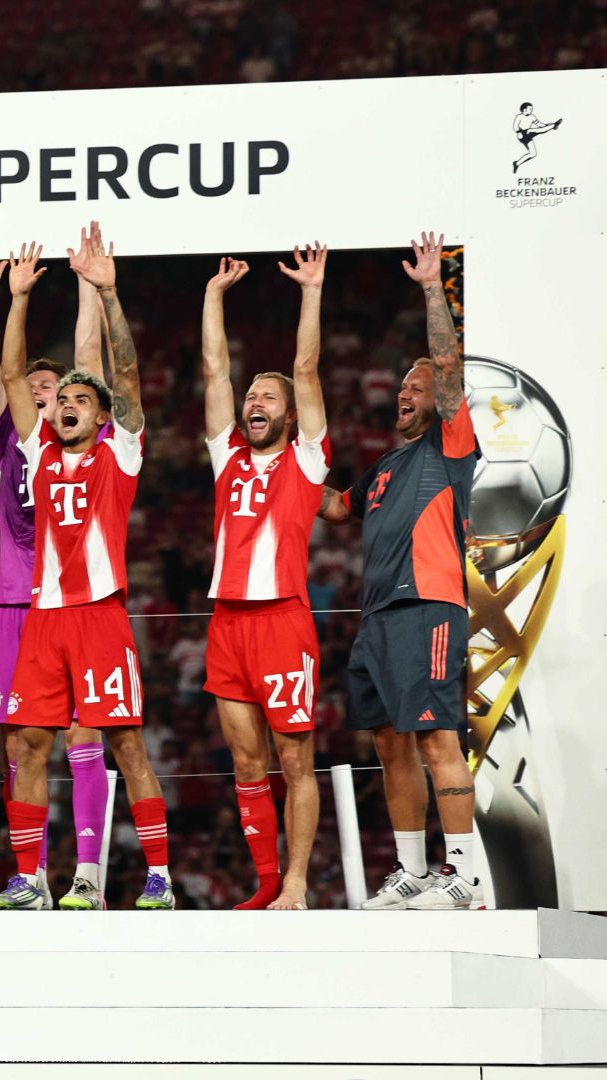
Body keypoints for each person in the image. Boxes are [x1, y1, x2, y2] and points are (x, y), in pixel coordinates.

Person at [0, 223, 174, 912]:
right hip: (43, 620)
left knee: (124, 743)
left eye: (77, 401)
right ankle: (31, 879)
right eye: (60, 399)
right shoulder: (36, 453)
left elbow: (124, 377)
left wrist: (109, 294)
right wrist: (19, 299)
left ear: (101, 417)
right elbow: (10, 378)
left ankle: (158, 876)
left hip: (99, 616)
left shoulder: (118, 455)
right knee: (30, 743)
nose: (64, 406)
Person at [319, 231, 491, 910]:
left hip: (428, 606)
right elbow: (336, 508)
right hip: (378, 620)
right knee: (391, 742)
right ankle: (416, 871)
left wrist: (429, 288)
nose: (406, 394)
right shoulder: (388, 468)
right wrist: (286, 463)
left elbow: (447, 363)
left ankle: (467, 878)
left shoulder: (451, 449)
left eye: (417, 387)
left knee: (434, 736)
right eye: (402, 388)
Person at [0, 228, 112, 909]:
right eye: (35, 389)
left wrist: (88, 283)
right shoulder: (12, 446)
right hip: (15, 609)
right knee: (20, 748)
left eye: (52, 389)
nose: (41, 394)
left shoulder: (86, 445)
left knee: (86, 736)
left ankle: (89, 875)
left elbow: (91, 360)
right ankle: (31, 877)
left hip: (75, 605)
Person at [199, 246, 331, 910]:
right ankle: (267, 882)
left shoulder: (307, 462)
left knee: (294, 761)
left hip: (283, 619)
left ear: (287, 415)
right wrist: (214, 295)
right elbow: (214, 368)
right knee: (247, 764)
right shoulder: (227, 458)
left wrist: (311, 290)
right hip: (228, 621)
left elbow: (306, 368)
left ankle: (300, 882)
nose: (254, 401)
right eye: (252, 395)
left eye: (266, 397)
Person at [512, 103, 562, 174]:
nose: (531, 110)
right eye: (530, 109)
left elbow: (540, 125)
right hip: (522, 134)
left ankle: (516, 163)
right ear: (524, 109)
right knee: (533, 130)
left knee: (533, 154)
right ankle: (554, 125)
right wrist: (519, 132)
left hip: (528, 134)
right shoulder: (519, 116)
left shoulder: (532, 116)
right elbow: (515, 126)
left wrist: (547, 125)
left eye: (531, 109)